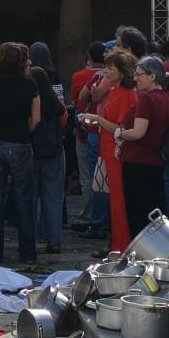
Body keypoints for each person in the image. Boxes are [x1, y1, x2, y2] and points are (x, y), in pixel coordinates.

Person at [92, 54, 169, 248]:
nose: (135, 78)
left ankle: (140, 255)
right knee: (154, 213)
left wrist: (119, 133)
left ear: (152, 76)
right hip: (154, 161)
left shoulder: (148, 99)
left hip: (138, 162)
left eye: (139, 74)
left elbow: (138, 133)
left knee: (138, 215)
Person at [0, 42, 39, 265]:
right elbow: (36, 118)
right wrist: (24, 128)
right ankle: (28, 253)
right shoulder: (30, 84)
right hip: (20, 142)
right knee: (24, 199)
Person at [27, 42, 67, 252]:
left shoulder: (27, 97)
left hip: (31, 149)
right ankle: (54, 239)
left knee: (29, 197)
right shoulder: (56, 103)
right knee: (54, 198)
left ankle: (30, 239)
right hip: (53, 149)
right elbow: (63, 118)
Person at [69, 41, 111, 239]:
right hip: (105, 130)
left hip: (94, 129)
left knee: (91, 177)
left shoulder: (86, 76)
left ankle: (91, 217)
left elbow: (81, 97)